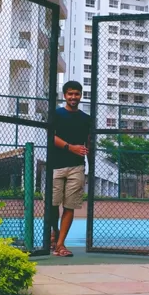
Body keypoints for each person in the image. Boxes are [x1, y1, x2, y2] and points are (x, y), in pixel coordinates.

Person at [49, 80, 91, 257]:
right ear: (65, 95)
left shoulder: (86, 119)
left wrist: (90, 164)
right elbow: (50, 136)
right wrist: (70, 147)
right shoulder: (56, 114)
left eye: (77, 94)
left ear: (81, 95)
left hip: (77, 167)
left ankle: (60, 245)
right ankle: (54, 232)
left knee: (69, 206)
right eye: (70, 94)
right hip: (55, 165)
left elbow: (88, 142)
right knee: (52, 205)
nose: (73, 97)